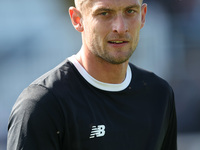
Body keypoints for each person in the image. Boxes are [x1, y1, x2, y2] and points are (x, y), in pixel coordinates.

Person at [7, 0, 177, 149]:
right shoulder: (42, 104)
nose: (120, 27)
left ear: (143, 16)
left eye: (130, 11)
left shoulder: (159, 94)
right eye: (104, 13)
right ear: (77, 19)